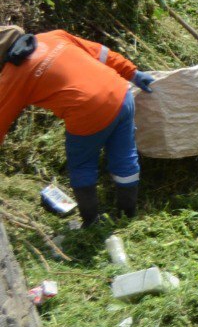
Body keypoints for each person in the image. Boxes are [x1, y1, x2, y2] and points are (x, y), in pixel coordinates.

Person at [0, 25, 155, 226]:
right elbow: (101, 53)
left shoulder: (12, 76)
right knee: (124, 155)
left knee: (82, 165)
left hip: (88, 110)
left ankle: (91, 222)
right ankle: (127, 215)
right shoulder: (54, 36)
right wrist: (133, 73)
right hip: (120, 92)